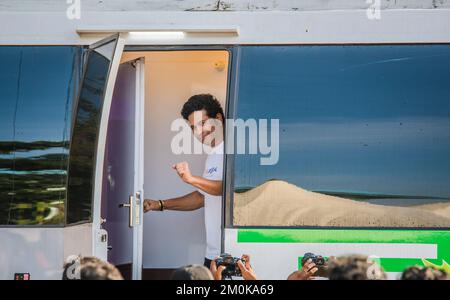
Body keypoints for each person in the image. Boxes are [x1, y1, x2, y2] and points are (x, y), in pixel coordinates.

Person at [144, 94, 225, 269]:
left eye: (202, 123)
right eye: (193, 127)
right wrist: (159, 204)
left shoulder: (229, 151)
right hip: (213, 253)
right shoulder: (214, 154)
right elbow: (202, 197)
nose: (198, 132)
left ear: (218, 118)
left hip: (227, 254)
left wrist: (191, 178)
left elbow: (224, 189)